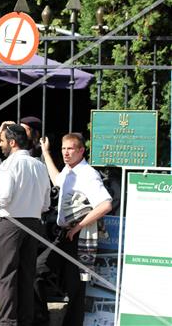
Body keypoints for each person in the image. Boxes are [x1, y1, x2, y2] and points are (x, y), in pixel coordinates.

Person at [39, 133, 112, 326]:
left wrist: (78, 226)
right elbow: (57, 181)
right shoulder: (69, 171)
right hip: (65, 235)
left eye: (70, 149)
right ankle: (41, 319)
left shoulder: (88, 174)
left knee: (76, 286)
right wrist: (46, 153)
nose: (66, 153)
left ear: (81, 150)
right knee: (38, 270)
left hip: (79, 236)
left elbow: (105, 205)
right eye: (63, 149)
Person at [0, 124, 51, 326]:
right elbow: (46, 204)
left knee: (5, 274)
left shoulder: (9, 164)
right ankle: (25, 319)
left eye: (2, 140)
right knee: (26, 275)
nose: (0, 144)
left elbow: (4, 197)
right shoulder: (40, 165)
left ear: (13, 142)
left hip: (12, 222)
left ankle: (7, 321)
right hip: (34, 223)